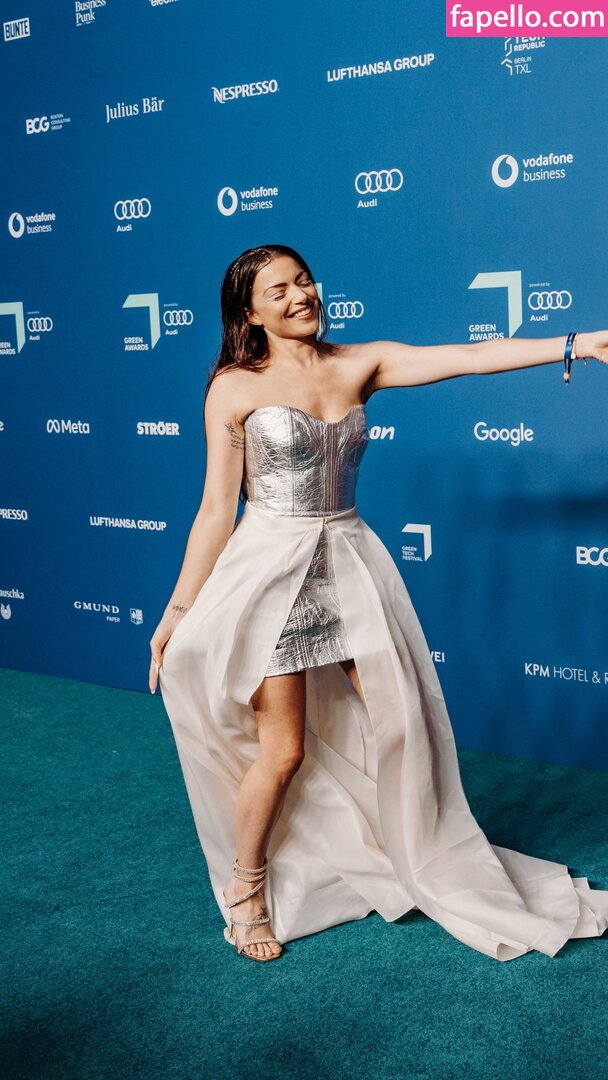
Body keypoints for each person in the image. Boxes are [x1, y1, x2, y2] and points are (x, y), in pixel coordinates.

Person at [151, 243, 608, 964]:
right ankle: (245, 889)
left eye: (304, 280)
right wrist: (177, 613)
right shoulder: (233, 388)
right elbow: (215, 510)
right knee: (284, 750)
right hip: (270, 575)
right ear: (250, 312)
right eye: (279, 290)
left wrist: (576, 343)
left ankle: (414, 852)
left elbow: (470, 357)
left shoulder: (360, 362)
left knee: (403, 725)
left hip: (351, 566)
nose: (301, 295)